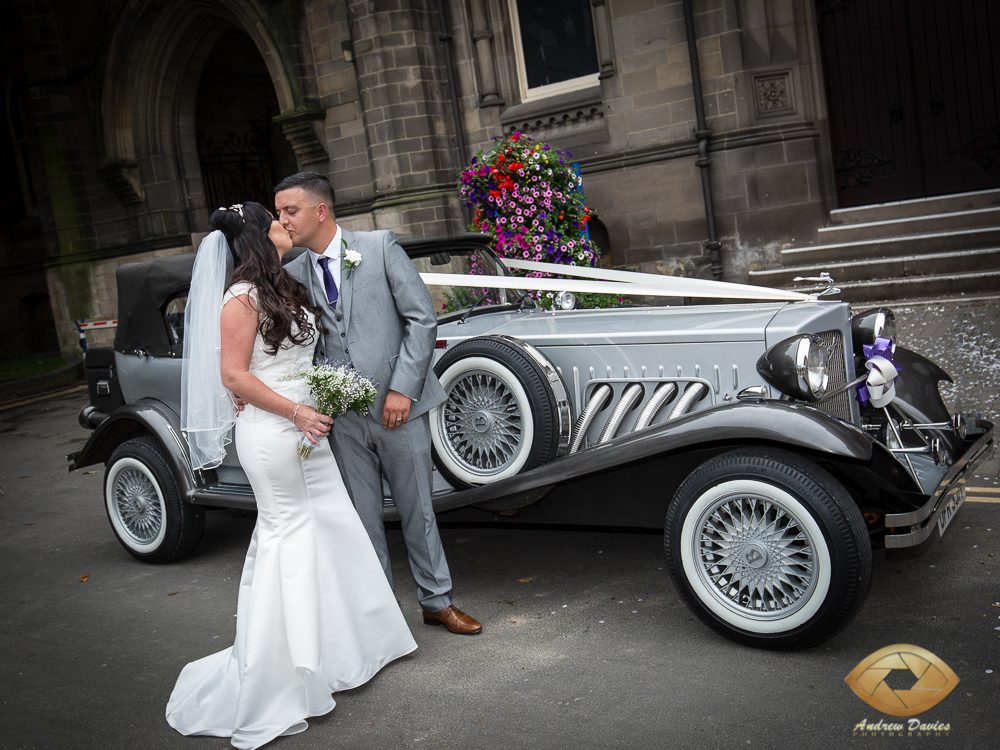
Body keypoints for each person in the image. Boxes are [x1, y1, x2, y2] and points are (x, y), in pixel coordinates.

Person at [166, 202, 417, 750]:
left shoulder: (282, 285)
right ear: (259, 235)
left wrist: (319, 397)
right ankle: (284, 671)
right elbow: (232, 374)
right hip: (277, 433)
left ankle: (342, 650)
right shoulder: (240, 298)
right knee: (287, 534)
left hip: (311, 425)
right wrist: (295, 411)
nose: (285, 221)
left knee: (330, 527)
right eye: (273, 218)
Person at [275, 172, 482, 635]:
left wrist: (401, 389)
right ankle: (382, 615)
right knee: (361, 519)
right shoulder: (291, 274)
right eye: (278, 212)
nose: (282, 220)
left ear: (320, 210)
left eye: (290, 211)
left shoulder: (379, 246)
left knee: (418, 511)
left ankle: (437, 601)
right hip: (342, 420)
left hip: (398, 410)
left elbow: (421, 319)